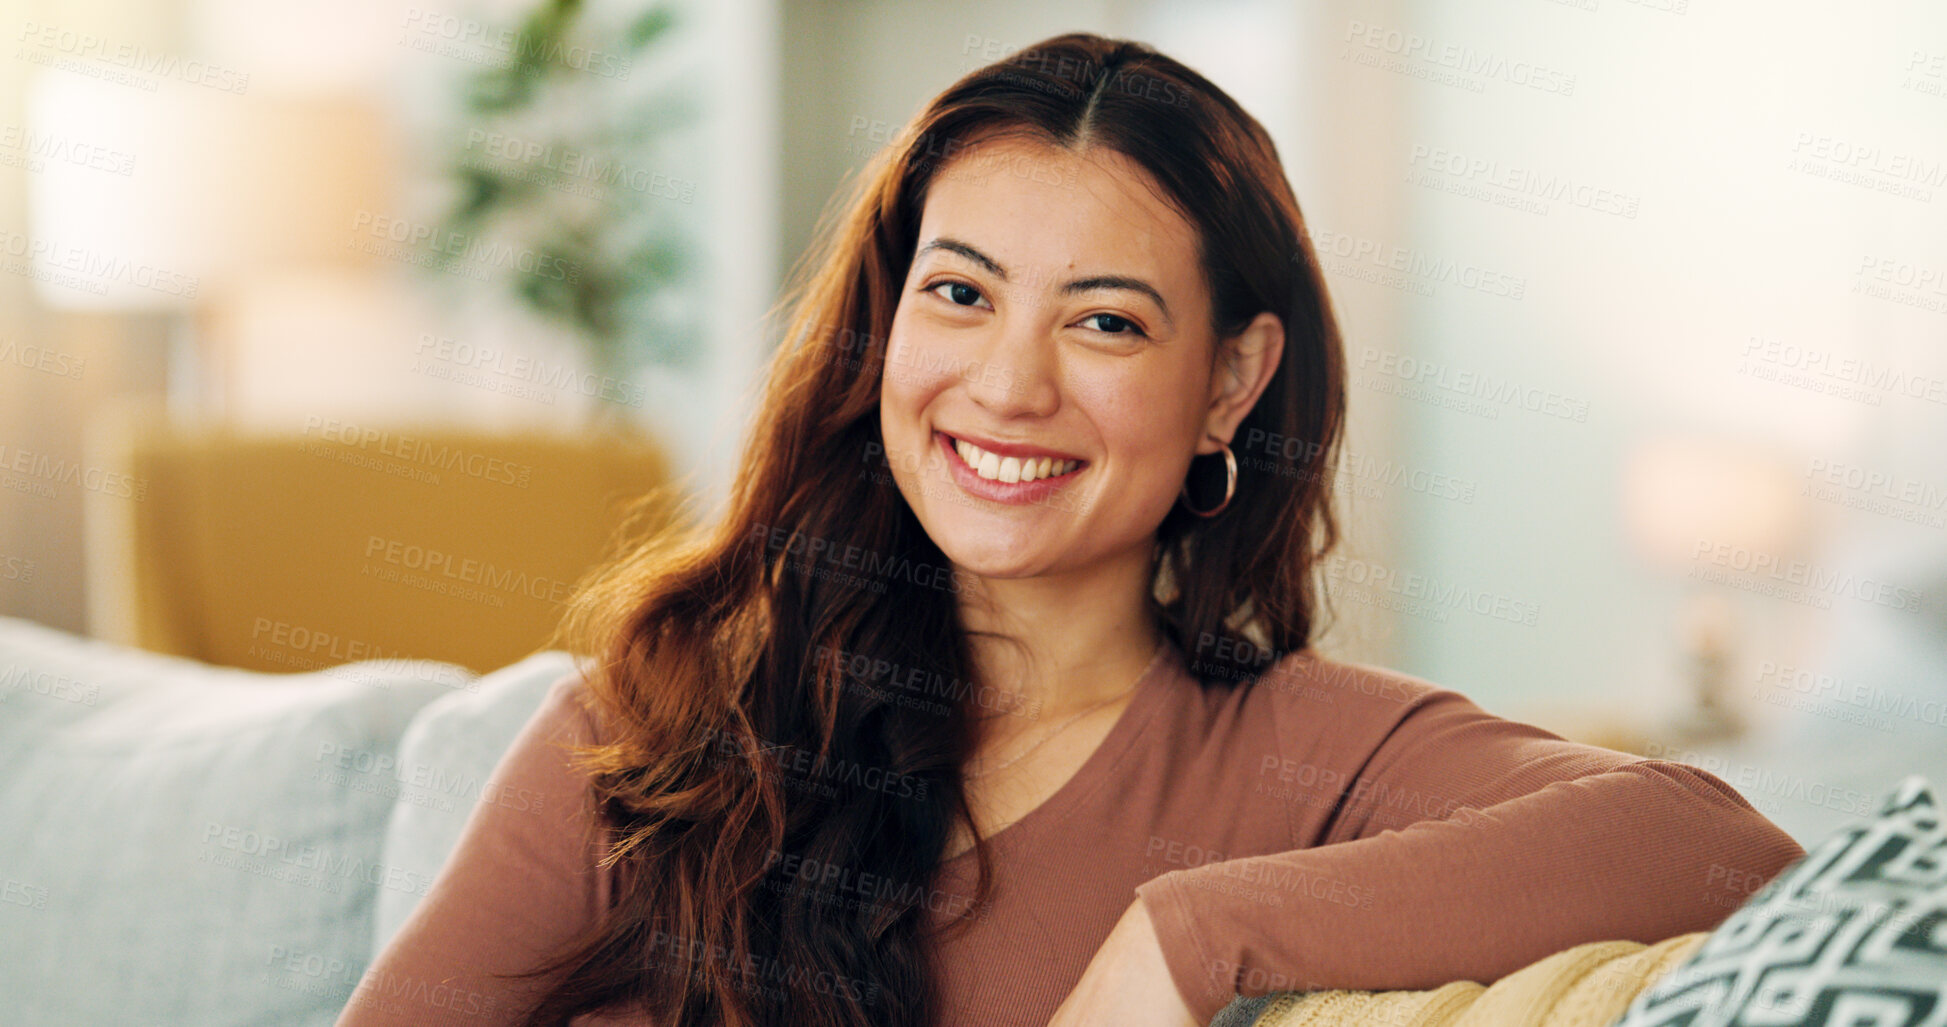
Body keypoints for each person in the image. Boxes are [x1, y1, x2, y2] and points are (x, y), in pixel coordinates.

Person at [334, 32, 1806, 1027]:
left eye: (1104, 320)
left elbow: (1721, 847)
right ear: (885, 328)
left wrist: (1189, 934)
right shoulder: (665, 724)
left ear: (1231, 381)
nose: (1008, 384)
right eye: (960, 294)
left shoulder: (1309, 758)